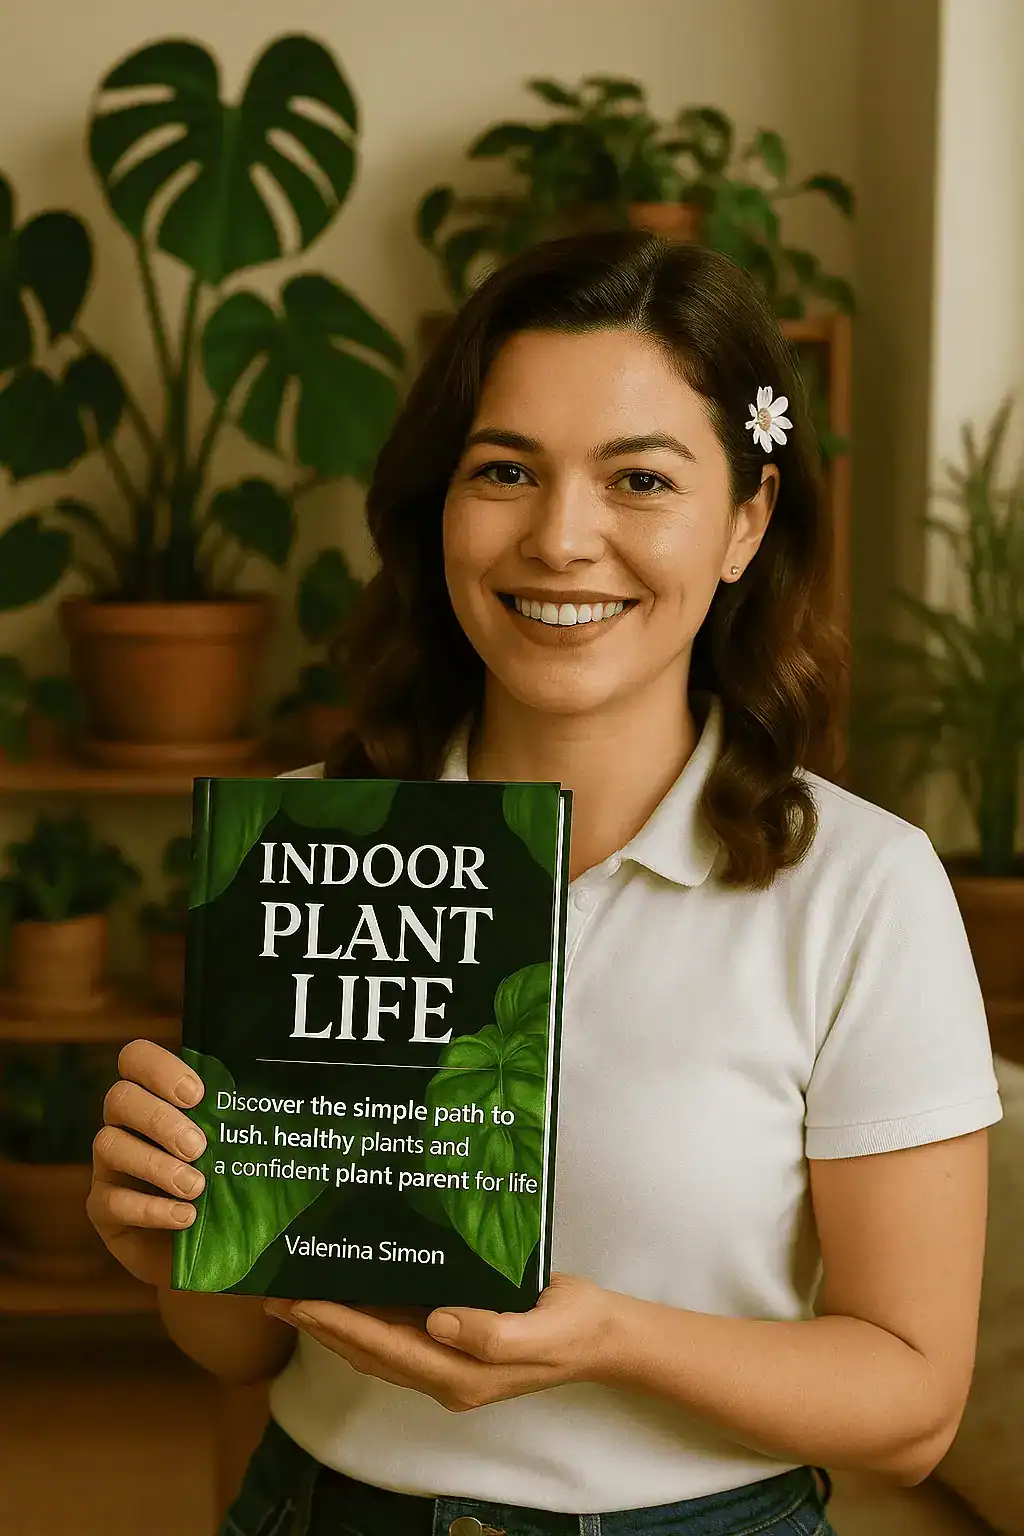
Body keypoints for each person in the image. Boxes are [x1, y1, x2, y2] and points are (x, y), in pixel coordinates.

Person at [88, 231, 1002, 1536]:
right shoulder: (304, 849)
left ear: (747, 519)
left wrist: (607, 1338)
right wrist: (172, 1240)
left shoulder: (859, 889)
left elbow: (914, 1404)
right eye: (505, 470)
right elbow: (241, 1343)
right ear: (439, 507)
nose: (562, 539)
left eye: (640, 479)